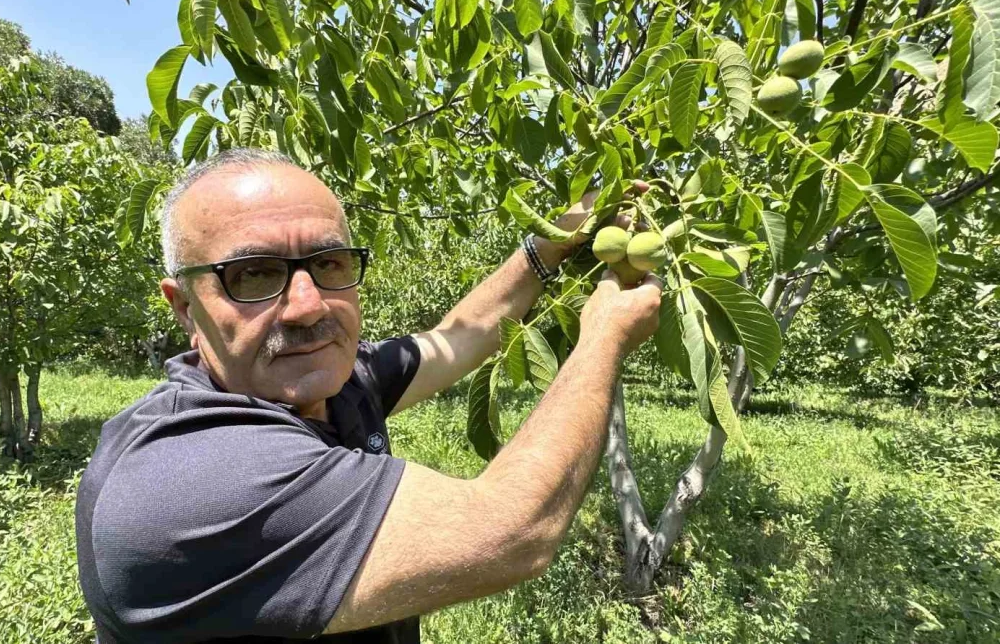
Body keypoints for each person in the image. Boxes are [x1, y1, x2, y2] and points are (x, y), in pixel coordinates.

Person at [75, 148, 662, 643]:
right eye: (253, 274)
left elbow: (455, 339)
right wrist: (604, 337)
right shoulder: (186, 476)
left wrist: (548, 245)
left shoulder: (331, 381)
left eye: (328, 263)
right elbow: (511, 535)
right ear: (185, 307)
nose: (307, 306)